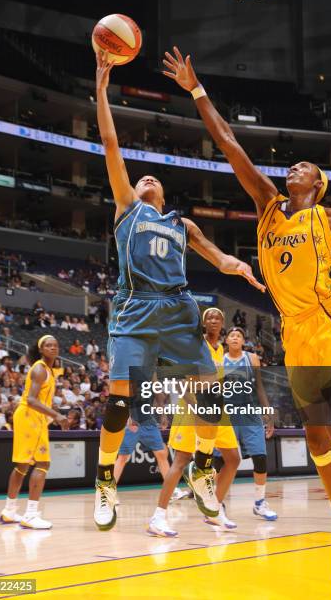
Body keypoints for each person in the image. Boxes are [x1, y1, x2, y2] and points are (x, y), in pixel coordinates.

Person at [163, 46, 331, 596]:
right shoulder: (266, 206)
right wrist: (196, 90)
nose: (294, 166)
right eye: (293, 164)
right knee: (315, 441)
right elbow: (230, 145)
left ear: (319, 184)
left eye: (306, 167)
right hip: (294, 331)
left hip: (329, 322)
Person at [93, 53, 264, 533]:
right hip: (133, 306)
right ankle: (105, 480)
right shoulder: (128, 208)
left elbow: (217, 257)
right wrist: (102, 90)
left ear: (164, 193)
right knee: (120, 399)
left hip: (178, 308)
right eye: (141, 176)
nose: (145, 178)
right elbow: (109, 142)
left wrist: (240, 268)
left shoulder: (179, 223)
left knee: (210, 387)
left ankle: (203, 472)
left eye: (154, 178)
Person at [148, 308, 240, 537]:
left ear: (223, 323)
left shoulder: (221, 350)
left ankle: (213, 509)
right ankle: (158, 517)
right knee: (180, 461)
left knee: (233, 458)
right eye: (209, 317)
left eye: (218, 317)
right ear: (203, 322)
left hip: (216, 411)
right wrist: (195, 403)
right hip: (192, 408)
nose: (214, 320)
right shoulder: (194, 345)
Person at [0, 336, 69, 529]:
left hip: (29, 416)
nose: (53, 347)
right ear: (41, 349)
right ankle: (30, 515)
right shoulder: (39, 369)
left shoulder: (47, 369)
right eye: (48, 345)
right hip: (30, 415)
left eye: (55, 345)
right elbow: (31, 399)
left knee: (22, 465)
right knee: (43, 463)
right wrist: (57, 415)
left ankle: (9, 511)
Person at [223, 327, 277, 521]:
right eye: (232, 335)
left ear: (244, 341)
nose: (236, 338)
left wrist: (268, 413)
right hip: (227, 413)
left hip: (249, 411)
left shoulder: (252, 358)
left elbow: (259, 387)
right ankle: (218, 503)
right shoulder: (219, 360)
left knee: (260, 457)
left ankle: (260, 503)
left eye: (239, 336)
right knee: (221, 461)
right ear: (226, 340)